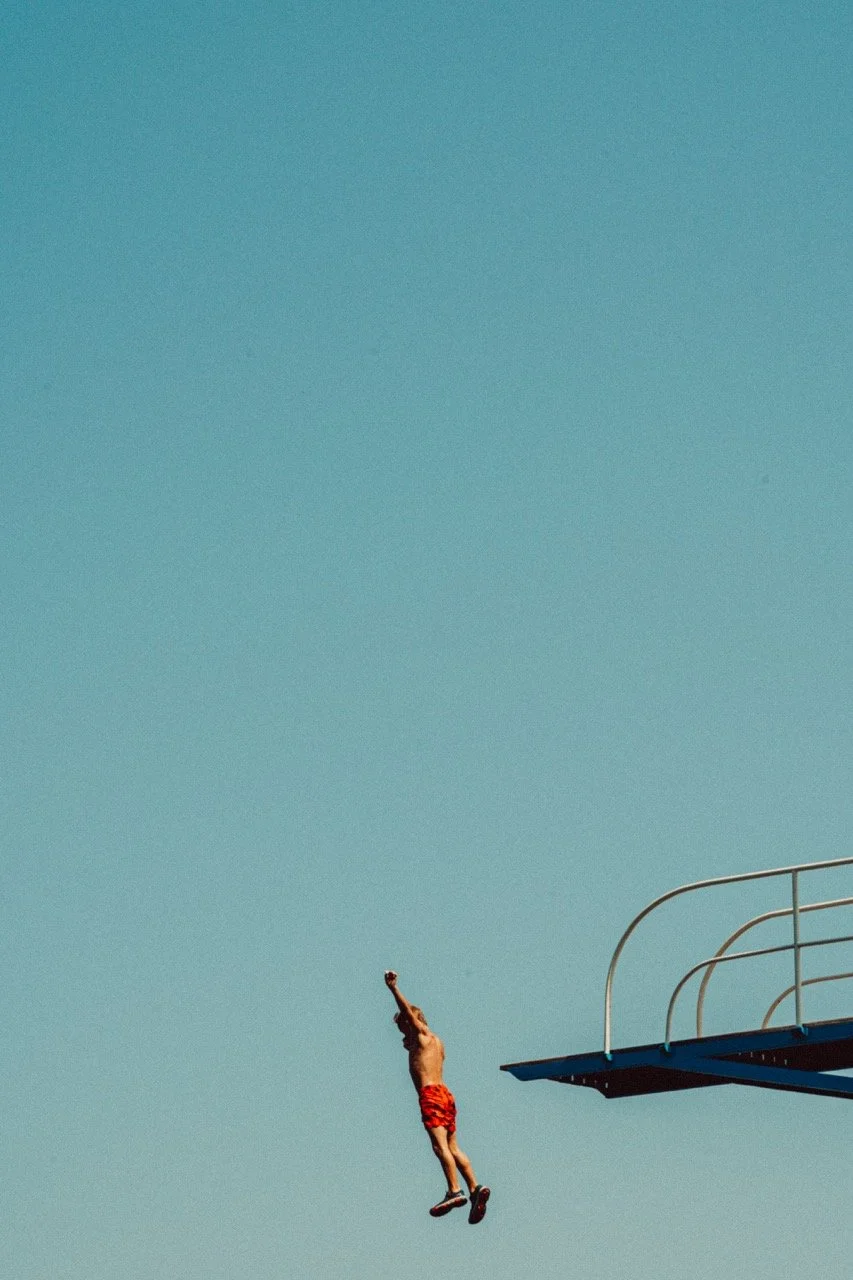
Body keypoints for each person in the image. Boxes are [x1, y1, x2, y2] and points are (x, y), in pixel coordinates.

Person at [384, 970, 490, 1222]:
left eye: (403, 1029)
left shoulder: (422, 1035)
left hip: (431, 1095)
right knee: (453, 1146)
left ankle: (454, 1190)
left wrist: (393, 989)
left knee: (439, 1145)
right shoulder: (437, 1042)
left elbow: (408, 1014)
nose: (403, 1035)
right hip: (446, 1095)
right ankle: (475, 1188)